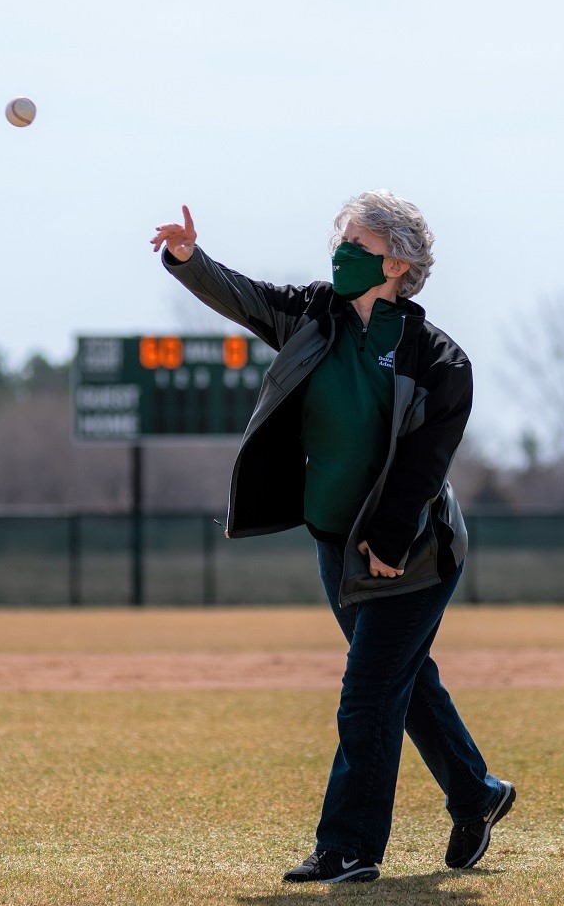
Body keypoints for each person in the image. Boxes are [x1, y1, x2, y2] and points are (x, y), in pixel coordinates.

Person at [150, 192, 515, 885]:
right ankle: (477, 793)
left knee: (369, 693)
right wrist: (190, 258)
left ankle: (349, 847)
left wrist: (387, 538)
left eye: (357, 245)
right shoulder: (314, 314)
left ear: (397, 264)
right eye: (340, 240)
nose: (340, 253)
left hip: (415, 550)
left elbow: (421, 468)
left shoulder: (441, 361)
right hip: (333, 540)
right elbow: (244, 296)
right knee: (402, 681)